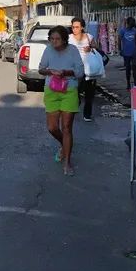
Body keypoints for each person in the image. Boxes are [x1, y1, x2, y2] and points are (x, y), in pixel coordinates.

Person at [39, 25, 84, 176]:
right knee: (52, 127)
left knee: (66, 128)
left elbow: (79, 72)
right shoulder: (48, 50)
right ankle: (64, 146)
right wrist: (50, 71)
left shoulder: (72, 50)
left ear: (65, 39)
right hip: (51, 90)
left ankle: (67, 163)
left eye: (57, 39)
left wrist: (65, 72)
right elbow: (41, 68)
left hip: (69, 90)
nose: (54, 42)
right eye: (52, 39)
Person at [69, 17, 97, 122]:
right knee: (75, 91)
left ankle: (87, 114)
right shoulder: (69, 38)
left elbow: (97, 48)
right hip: (74, 70)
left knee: (89, 93)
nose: (74, 29)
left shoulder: (89, 37)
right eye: (73, 27)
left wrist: (91, 48)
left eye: (77, 27)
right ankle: (76, 104)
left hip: (89, 69)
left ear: (82, 27)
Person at [119, 17, 136, 90]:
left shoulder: (135, 31)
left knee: (135, 67)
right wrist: (120, 50)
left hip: (134, 52)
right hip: (126, 52)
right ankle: (128, 83)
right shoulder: (122, 31)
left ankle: (135, 82)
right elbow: (119, 41)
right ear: (127, 23)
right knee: (128, 68)